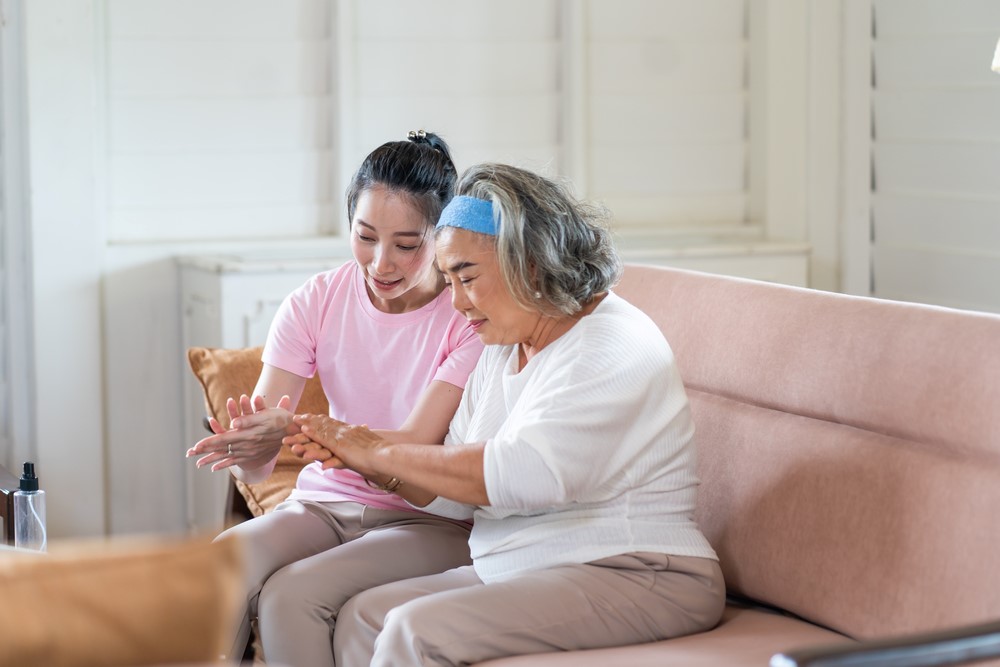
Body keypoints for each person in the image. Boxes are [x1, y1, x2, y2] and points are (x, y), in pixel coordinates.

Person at [286, 163, 726, 667]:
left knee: (415, 629)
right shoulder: (500, 349)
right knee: (366, 613)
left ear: (531, 263)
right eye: (447, 280)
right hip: (529, 564)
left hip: (640, 570)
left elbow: (526, 473)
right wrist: (362, 458)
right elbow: (447, 493)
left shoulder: (611, 342)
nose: (456, 303)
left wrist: (381, 449)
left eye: (467, 277)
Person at [185, 131, 484, 667]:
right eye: (365, 236)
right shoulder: (315, 301)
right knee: (222, 567)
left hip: (430, 517)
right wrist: (252, 447)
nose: (381, 263)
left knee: (289, 598)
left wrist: (318, 434)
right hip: (325, 504)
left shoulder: (467, 316)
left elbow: (414, 447)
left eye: (407, 244)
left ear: (442, 236)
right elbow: (262, 463)